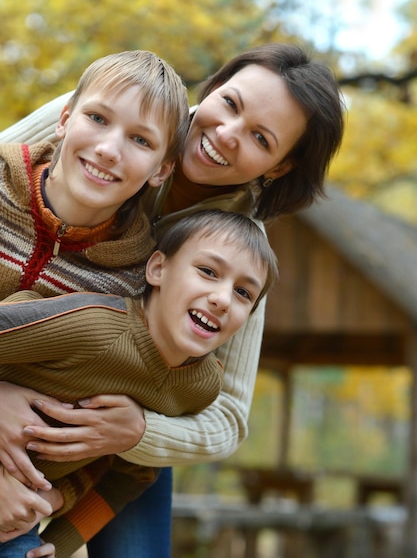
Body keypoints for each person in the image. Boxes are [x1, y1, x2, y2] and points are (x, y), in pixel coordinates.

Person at [0, 42, 345, 558]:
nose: (226, 134)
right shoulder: (114, 114)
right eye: (230, 103)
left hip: (120, 411)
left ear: (278, 166)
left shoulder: (240, 256)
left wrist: (135, 431)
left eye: (259, 138)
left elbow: (225, 414)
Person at [0, 47, 189, 558]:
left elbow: (114, 453)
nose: (109, 149)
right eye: (98, 118)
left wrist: (53, 511)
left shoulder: (135, 282)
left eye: (140, 140)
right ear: (64, 119)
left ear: (161, 169)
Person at [0, 209, 278, 557]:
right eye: (208, 272)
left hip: (13, 524)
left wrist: (59, 542)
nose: (222, 299)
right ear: (158, 269)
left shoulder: (198, 388)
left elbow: (129, 474)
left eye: (243, 293)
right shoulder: (92, 327)